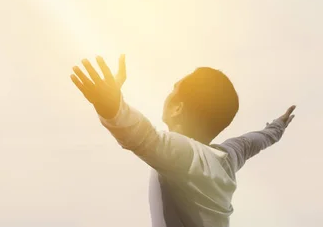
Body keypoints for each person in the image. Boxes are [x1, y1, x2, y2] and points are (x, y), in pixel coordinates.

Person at [70, 55, 296, 227]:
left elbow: (143, 137)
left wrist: (111, 107)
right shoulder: (227, 157)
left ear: (178, 108)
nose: (168, 94)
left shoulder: (185, 157)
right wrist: (277, 126)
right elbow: (251, 142)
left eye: (173, 89)